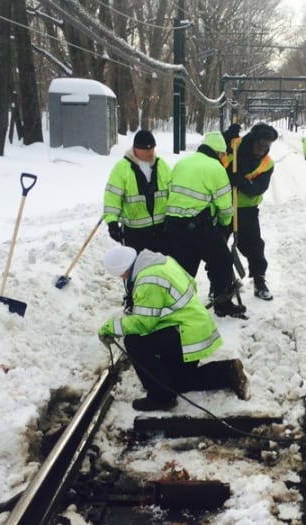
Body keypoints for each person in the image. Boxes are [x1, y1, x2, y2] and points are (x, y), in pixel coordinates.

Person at [98, 245, 249, 411]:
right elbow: (191, 284)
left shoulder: (147, 279)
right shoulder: (160, 261)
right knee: (178, 382)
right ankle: (228, 372)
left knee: (134, 342)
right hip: (194, 326)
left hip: (186, 333)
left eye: (120, 274)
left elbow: (143, 323)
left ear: (123, 268)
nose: (122, 278)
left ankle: (161, 397)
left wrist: (110, 327)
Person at [163, 132, 245, 318]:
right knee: (222, 261)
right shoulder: (215, 168)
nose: (224, 159)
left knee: (182, 269)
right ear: (218, 152)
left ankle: (175, 305)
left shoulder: (182, 163)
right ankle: (222, 303)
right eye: (224, 155)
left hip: (172, 226)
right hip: (198, 228)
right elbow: (225, 207)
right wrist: (224, 227)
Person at [223, 122, 278, 301]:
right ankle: (219, 284)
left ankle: (259, 280)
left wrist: (242, 183)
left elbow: (259, 188)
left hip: (247, 210)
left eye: (267, 147)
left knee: (254, 246)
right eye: (261, 145)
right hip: (223, 207)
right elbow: (213, 155)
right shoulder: (234, 145)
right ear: (254, 140)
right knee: (217, 247)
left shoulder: (267, 164)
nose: (263, 150)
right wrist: (225, 137)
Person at [103, 130, 171, 253]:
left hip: (161, 231)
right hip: (134, 234)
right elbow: (112, 198)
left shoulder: (162, 166)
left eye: (152, 149)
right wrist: (112, 223)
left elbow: (173, 194)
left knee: (161, 269)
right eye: (146, 150)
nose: (150, 153)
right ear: (136, 149)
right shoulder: (122, 169)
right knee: (138, 269)